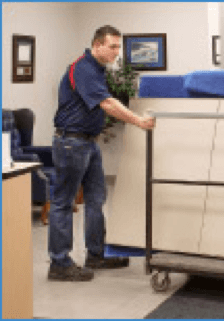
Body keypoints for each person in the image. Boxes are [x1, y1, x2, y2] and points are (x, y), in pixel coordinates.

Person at [48, 25, 155, 282]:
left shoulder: (97, 69)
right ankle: (59, 263)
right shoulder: (83, 68)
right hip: (72, 143)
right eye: (113, 46)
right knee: (63, 203)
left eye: (119, 46)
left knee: (96, 199)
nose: (118, 52)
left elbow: (104, 101)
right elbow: (107, 103)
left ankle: (96, 254)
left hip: (88, 143)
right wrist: (138, 121)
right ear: (97, 45)